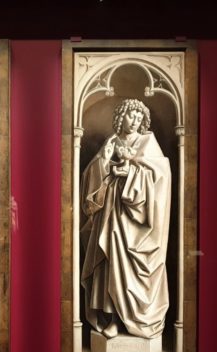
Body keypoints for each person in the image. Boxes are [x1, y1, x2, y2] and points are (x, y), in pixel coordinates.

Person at [81, 98, 171, 339]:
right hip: (112, 212)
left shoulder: (148, 142)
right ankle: (113, 319)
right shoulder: (111, 142)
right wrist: (104, 162)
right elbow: (91, 176)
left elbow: (161, 177)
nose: (136, 121)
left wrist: (131, 172)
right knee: (109, 260)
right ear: (121, 117)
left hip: (135, 220)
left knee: (127, 265)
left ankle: (130, 317)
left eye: (140, 117)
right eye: (132, 115)